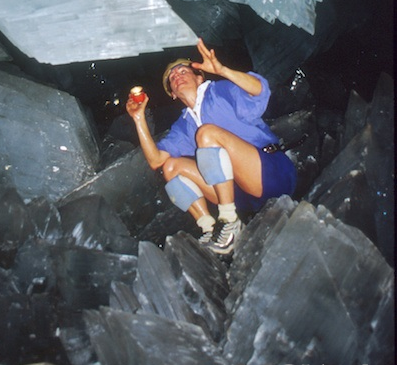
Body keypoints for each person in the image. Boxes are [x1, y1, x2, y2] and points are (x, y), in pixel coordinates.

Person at [126, 38, 297, 255]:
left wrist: (223, 70)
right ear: (172, 93)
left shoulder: (219, 91)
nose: (177, 76)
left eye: (182, 71)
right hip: (241, 193)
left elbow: (260, 91)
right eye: (172, 78)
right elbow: (156, 160)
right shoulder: (184, 124)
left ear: (199, 77)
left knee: (206, 134)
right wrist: (138, 118)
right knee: (170, 168)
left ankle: (229, 220)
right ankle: (212, 229)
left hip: (272, 173)